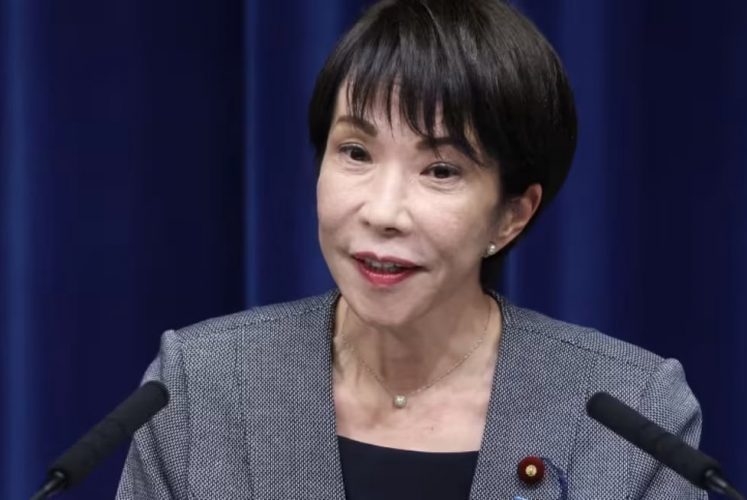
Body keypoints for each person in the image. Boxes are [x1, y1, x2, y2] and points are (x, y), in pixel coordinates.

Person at [117, 0, 706, 498]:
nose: (382, 212)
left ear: (512, 214)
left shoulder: (632, 417)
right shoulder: (199, 388)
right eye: (356, 153)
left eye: (441, 170)